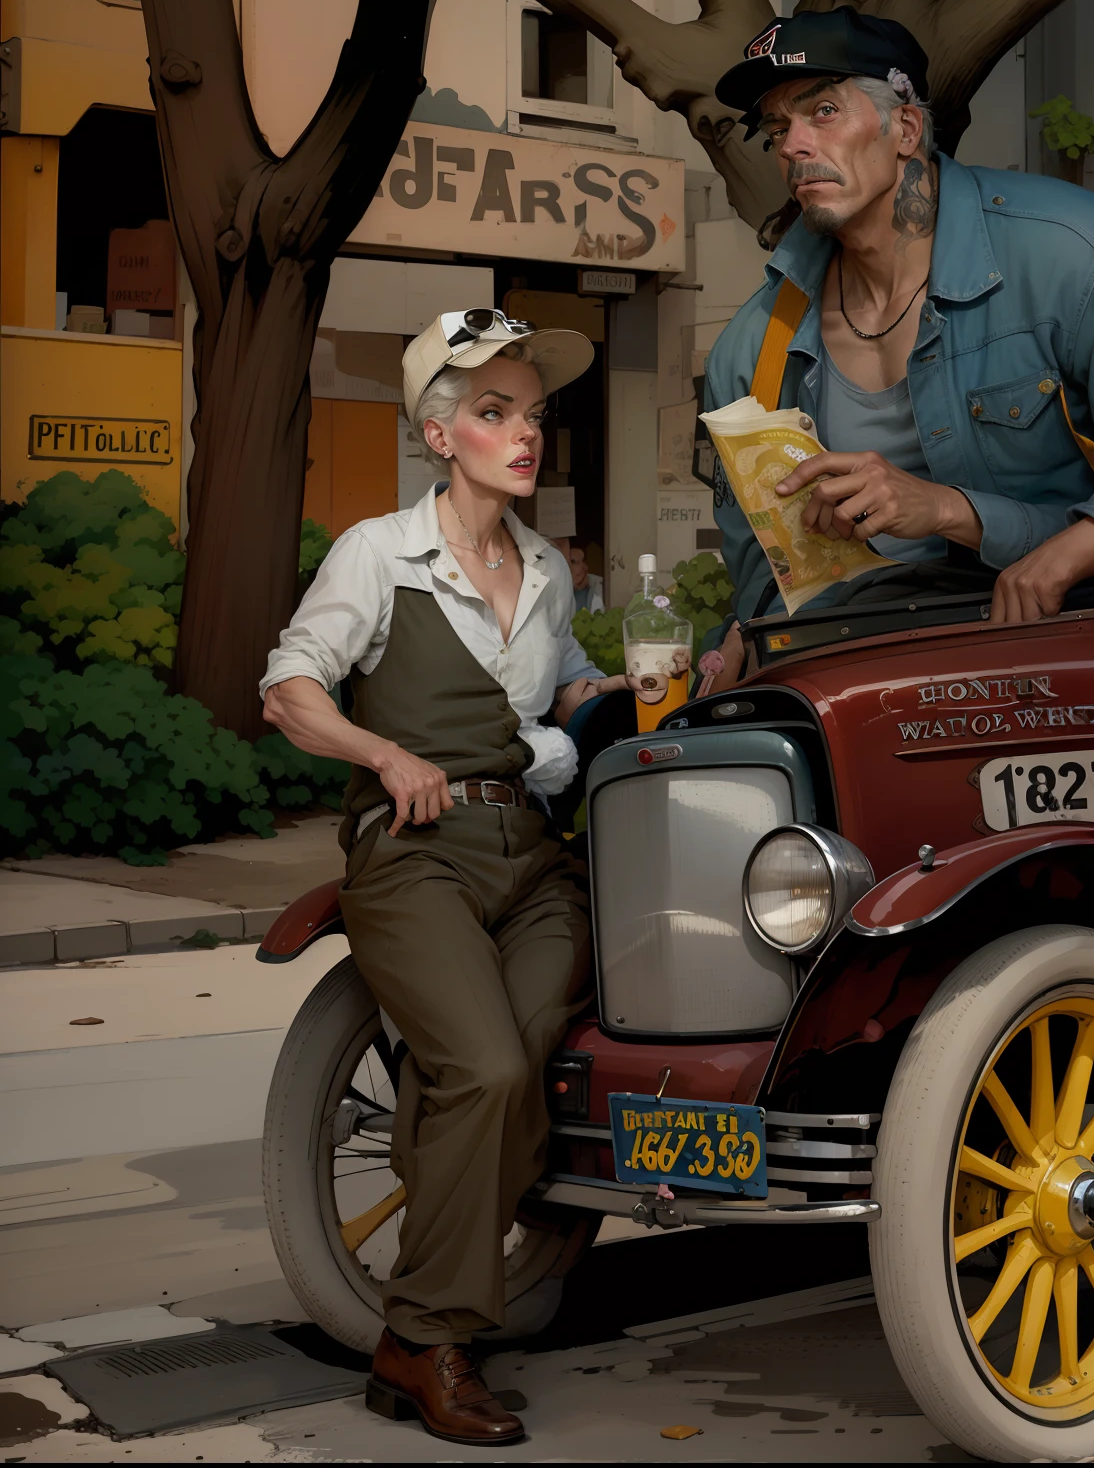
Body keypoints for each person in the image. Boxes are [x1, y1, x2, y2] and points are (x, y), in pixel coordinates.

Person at [259, 310, 665, 1445]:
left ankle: (428, 1320)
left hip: (531, 857)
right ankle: (424, 1338)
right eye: (493, 412)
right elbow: (289, 687)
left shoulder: (545, 566)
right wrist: (384, 755)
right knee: (482, 1066)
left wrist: (644, 684)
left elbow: (570, 689)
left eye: (531, 413)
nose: (522, 433)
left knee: (527, 1068)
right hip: (415, 855)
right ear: (440, 434)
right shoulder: (378, 554)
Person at [692, 8, 1094, 685]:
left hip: (1086, 646)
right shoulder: (753, 349)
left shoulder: (1076, 255)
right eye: (779, 127)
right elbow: (763, 568)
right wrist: (741, 636)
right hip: (866, 680)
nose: (792, 145)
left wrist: (1055, 548)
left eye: (822, 111)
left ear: (904, 127)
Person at [553, 533, 604, 612]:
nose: (582, 568)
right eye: (574, 562)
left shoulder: (596, 591)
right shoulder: (554, 593)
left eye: (583, 562)